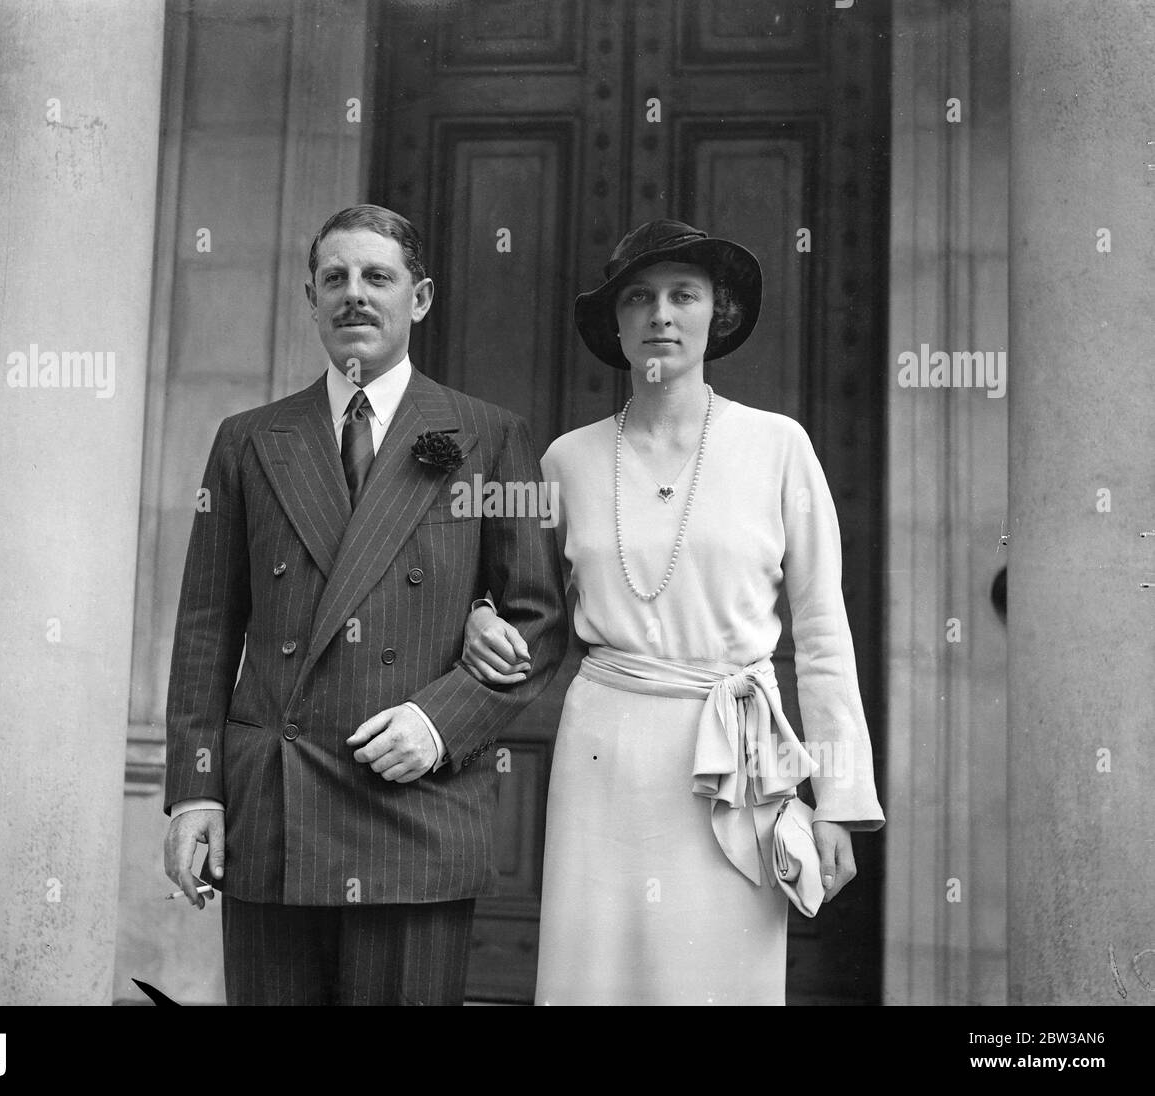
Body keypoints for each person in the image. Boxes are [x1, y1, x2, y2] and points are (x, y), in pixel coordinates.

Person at [462, 219, 885, 1005]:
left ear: (715, 316)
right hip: (605, 752)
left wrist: (842, 802)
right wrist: (478, 613)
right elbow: (516, 594)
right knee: (597, 977)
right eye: (640, 298)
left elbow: (824, 630)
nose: (661, 314)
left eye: (682, 295)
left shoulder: (777, 446)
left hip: (735, 756)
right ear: (616, 325)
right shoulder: (566, 460)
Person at [162, 204, 568, 1006]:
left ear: (418, 299)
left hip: (414, 804)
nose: (355, 295)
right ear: (310, 299)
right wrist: (197, 789)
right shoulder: (246, 439)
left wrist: (439, 722)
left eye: (377, 277)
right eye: (335, 279)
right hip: (273, 804)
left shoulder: (493, 437)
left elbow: (539, 618)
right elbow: (207, 626)